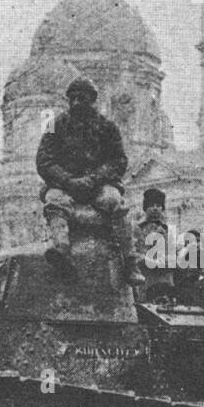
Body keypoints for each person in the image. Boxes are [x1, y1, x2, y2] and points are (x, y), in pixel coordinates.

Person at [36, 77, 143, 286]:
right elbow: (44, 160)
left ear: (92, 100)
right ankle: (61, 251)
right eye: (72, 98)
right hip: (64, 185)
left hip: (98, 185)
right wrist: (68, 180)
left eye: (81, 98)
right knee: (55, 202)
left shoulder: (108, 127)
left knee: (114, 201)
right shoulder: (53, 125)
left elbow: (118, 160)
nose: (76, 103)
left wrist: (94, 179)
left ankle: (130, 261)